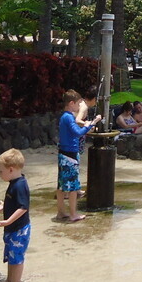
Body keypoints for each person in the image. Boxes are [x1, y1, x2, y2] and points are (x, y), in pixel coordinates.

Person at [56, 90, 102, 222]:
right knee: (73, 187)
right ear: (71, 104)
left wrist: (86, 126)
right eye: (77, 104)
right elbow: (77, 132)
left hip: (63, 153)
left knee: (61, 185)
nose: (79, 107)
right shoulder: (69, 117)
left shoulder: (64, 116)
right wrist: (92, 123)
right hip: (70, 154)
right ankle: (73, 214)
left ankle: (61, 212)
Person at [0, 149, 30, 282]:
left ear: (11, 169)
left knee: (17, 257)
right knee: (11, 255)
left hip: (19, 228)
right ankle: (10, 280)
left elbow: (23, 207)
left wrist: (8, 221)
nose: (0, 174)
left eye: (1, 171)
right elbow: (15, 202)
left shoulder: (19, 185)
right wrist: (4, 206)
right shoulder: (14, 182)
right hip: (12, 228)